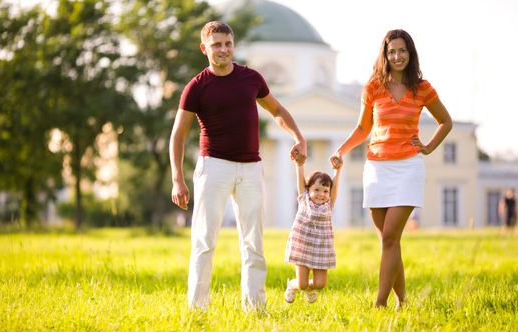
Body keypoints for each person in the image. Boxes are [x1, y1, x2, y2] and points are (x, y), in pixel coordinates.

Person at [169, 21, 307, 312]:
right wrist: (177, 179)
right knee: (204, 242)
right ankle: (197, 309)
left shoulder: (251, 79)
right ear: (204, 48)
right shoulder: (196, 86)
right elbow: (178, 135)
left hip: (250, 168)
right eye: (216, 44)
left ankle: (255, 308)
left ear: (233, 45)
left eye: (228, 43)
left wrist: (298, 137)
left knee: (253, 243)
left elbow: (277, 111)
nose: (223, 49)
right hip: (213, 166)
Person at [330, 29, 453, 309]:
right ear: (384, 55)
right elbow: (363, 128)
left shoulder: (423, 88)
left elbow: (446, 121)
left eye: (402, 51)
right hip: (376, 168)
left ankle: (380, 304)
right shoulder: (373, 86)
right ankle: (403, 300)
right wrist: (341, 150)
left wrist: (428, 147)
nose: (397, 56)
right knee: (389, 241)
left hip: (408, 167)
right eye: (391, 51)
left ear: (411, 54)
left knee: (389, 237)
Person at [283, 154, 342, 304]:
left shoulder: (329, 205)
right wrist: (299, 165)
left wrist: (337, 170)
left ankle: (311, 288)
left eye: (325, 191)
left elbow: (335, 186)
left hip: (321, 249)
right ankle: (292, 284)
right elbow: (300, 180)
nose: (321, 194)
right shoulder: (304, 200)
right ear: (309, 190)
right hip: (303, 246)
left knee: (320, 284)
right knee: (302, 285)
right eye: (317, 189)